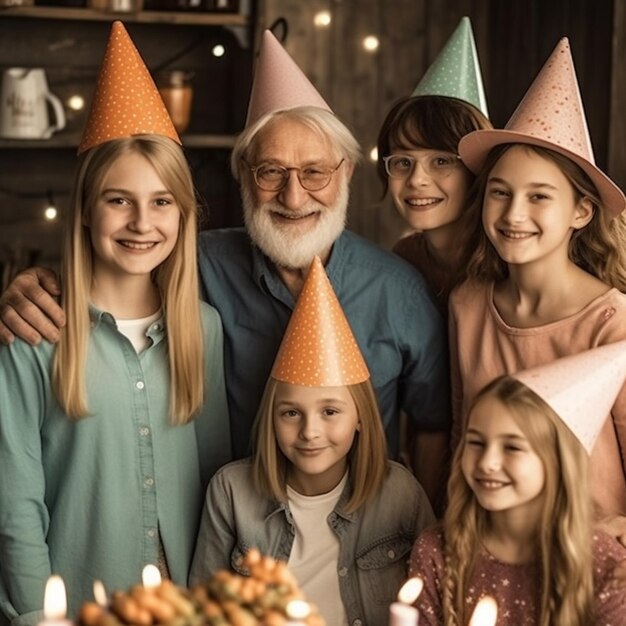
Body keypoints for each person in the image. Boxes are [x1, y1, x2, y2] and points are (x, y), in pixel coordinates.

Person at [0, 30, 451, 503]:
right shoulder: (190, 264)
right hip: (231, 531)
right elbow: (114, 262)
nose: (294, 197)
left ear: (347, 173)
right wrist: (34, 287)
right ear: (243, 176)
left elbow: (433, 426)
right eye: (271, 171)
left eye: (314, 172)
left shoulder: (398, 290)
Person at [0, 22, 231, 625]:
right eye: (118, 199)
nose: (141, 222)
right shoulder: (33, 337)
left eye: (161, 202)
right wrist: (32, 617)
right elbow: (15, 505)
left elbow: (216, 489)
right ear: (84, 208)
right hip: (72, 610)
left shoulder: (202, 330)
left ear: (183, 215)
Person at [190, 256, 435, 626]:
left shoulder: (399, 493)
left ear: (360, 420)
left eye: (330, 412)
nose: (310, 432)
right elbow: (202, 609)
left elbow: (433, 599)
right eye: (291, 413)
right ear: (270, 418)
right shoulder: (231, 492)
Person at [449, 38, 626, 525]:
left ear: (581, 211)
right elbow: (460, 433)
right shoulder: (467, 304)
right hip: (490, 546)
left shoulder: (612, 323)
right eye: (500, 193)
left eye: (539, 197)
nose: (514, 214)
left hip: (588, 559)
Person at [409, 343, 626, 625]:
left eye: (512, 447)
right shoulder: (436, 551)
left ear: (557, 461)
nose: (488, 462)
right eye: (475, 442)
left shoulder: (605, 564)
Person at [377, 16, 492, 313]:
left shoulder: (505, 257)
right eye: (403, 162)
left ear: (476, 170)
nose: (416, 180)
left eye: (441, 161)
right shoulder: (406, 258)